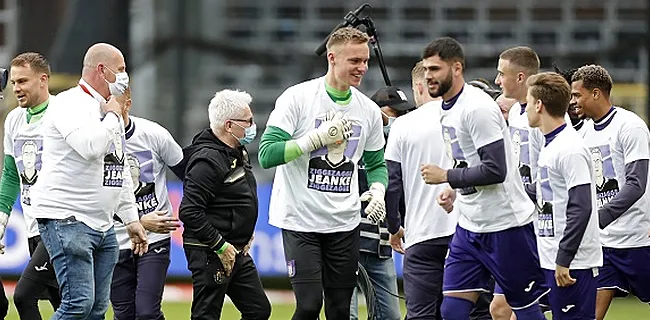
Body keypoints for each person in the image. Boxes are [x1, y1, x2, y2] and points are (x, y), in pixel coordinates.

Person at [258, 26, 388, 319]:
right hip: (300, 220)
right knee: (308, 305)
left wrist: (377, 191)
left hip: (345, 223)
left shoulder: (367, 110)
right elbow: (267, 154)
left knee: (341, 310)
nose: (362, 68)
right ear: (332, 58)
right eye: (354, 61)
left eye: (365, 60)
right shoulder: (298, 98)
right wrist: (315, 140)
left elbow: (377, 164)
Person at [418, 37, 548, 320]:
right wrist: (453, 189)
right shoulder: (446, 108)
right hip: (469, 226)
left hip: (506, 226)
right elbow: (468, 160)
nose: (429, 76)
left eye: (435, 69)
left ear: (456, 68)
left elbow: (495, 170)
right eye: (426, 69)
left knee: (524, 311)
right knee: (452, 310)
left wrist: (447, 176)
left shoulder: (476, 108)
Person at [30, 43, 148, 319]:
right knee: (78, 304)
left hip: (102, 224)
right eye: (120, 69)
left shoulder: (108, 110)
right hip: (67, 218)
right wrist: (112, 116)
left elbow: (116, 166)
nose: (124, 76)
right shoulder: (69, 103)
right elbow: (90, 146)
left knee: (96, 309)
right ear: (102, 70)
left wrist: (131, 219)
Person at [179, 89, 270, 320]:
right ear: (229, 125)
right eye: (248, 121)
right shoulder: (207, 160)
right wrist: (220, 245)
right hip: (211, 251)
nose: (253, 125)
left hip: (237, 248)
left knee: (258, 310)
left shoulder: (236, 151)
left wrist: (242, 232)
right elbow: (189, 211)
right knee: (206, 315)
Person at [570, 64, 650, 320]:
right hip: (603, 245)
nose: (573, 102)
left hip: (639, 239)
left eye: (577, 95)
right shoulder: (581, 133)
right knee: (589, 313)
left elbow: (636, 184)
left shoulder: (630, 126)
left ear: (596, 94)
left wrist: (598, 218)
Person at [526, 71, 602, 319]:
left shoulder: (570, 149)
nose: (525, 108)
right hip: (551, 258)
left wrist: (564, 258)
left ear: (539, 105)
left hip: (572, 264)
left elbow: (581, 207)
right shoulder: (551, 145)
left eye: (527, 102)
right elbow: (545, 195)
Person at [385, 77, 459, 319]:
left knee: (421, 314)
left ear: (418, 86)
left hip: (422, 233)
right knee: (468, 310)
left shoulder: (404, 124)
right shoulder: (463, 117)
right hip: (464, 231)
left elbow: (392, 183)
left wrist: (394, 226)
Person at [110, 87, 184, 319]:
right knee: (123, 315)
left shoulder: (154, 134)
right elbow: (92, 198)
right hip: (115, 240)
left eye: (115, 108)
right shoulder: (95, 143)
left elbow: (188, 174)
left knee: (147, 313)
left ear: (128, 104)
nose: (109, 115)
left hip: (155, 238)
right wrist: (139, 220)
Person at [0, 52, 60, 319]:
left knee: (24, 297)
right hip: (33, 226)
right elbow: (12, 174)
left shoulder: (63, 114)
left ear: (43, 80)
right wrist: (2, 218)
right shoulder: (14, 119)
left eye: (22, 81)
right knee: (65, 303)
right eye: (13, 82)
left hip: (61, 225)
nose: (16, 88)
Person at [349, 86, 412, 320]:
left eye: (403, 114)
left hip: (382, 245)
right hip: (346, 241)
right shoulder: (354, 140)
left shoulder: (402, 148)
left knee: (390, 317)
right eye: (394, 112)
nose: (398, 119)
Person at [494, 46, 541, 186]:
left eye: (501, 74)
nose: (497, 81)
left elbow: (551, 171)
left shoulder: (544, 113)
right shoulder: (514, 111)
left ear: (520, 77)